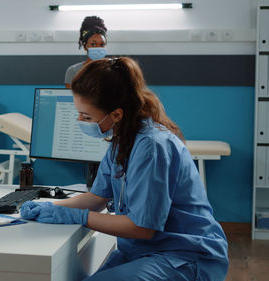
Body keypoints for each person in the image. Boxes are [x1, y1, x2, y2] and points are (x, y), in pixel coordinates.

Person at [21, 57, 229, 280]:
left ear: (117, 114)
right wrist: (48, 206)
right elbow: (95, 198)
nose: (80, 120)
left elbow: (142, 227)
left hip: (184, 256)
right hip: (143, 252)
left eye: (86, 116)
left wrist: (76, 216)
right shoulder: (122, 140)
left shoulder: (152, 146)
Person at [65, 16, 108, 88]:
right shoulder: (74, 71)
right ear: (85, 46)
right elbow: (70, 98)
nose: (98, 47)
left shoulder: (115, 70)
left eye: (102, 44)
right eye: (93, 44)